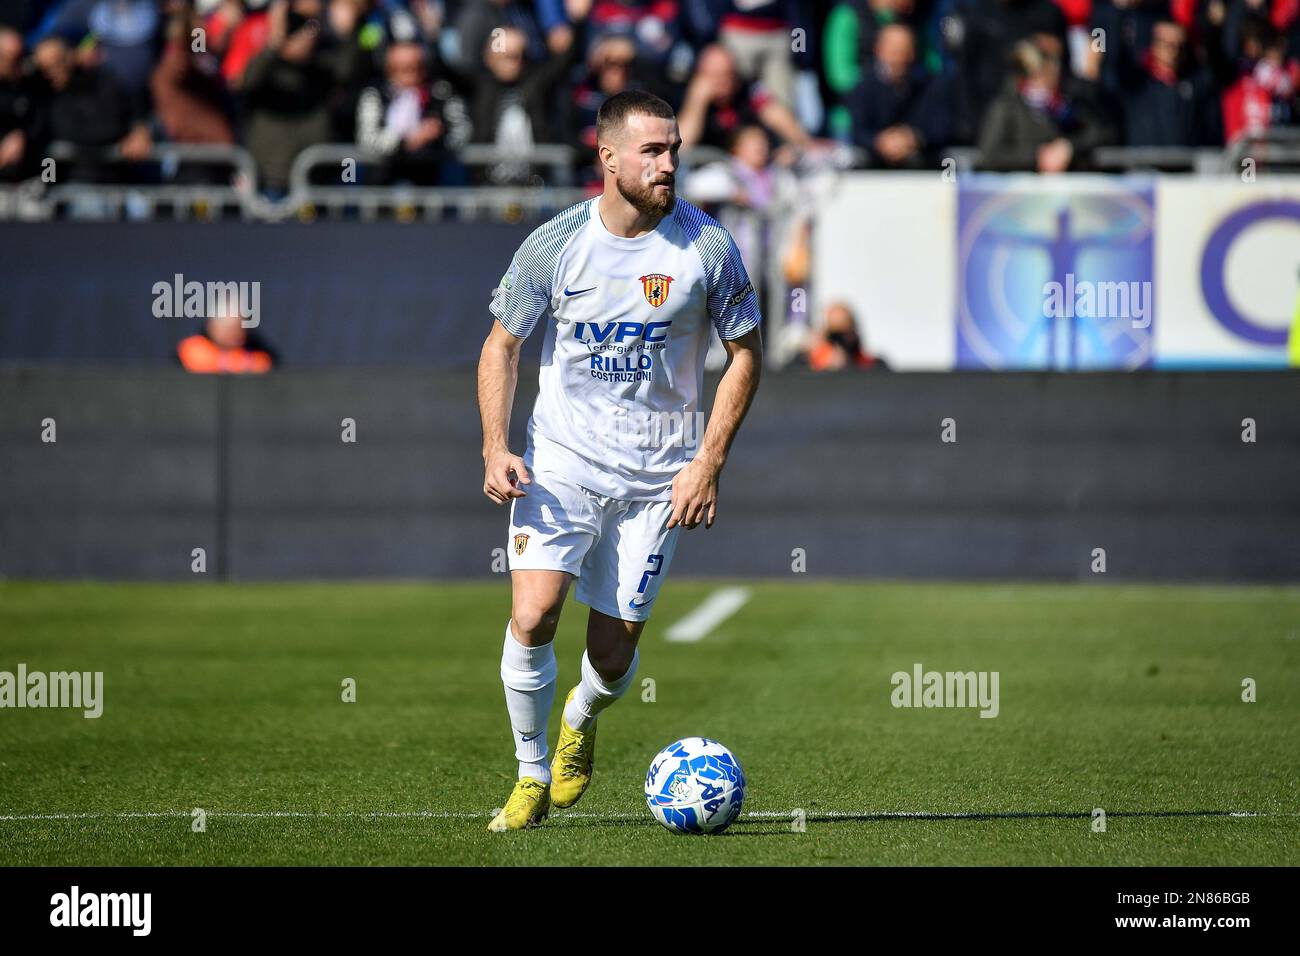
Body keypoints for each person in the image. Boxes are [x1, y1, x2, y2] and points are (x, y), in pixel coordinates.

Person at [476, 89, 763, 831]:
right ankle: (532, 772)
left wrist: (708, 462)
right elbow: (503, 344)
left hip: (654, 478)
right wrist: (495, 444)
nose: (670, 164)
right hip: (562, 460)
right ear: (608, 159)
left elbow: (745, 355)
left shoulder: (708, 247)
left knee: (608, 656)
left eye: (674, 150)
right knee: (534, 615)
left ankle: (580, 716)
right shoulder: (555, 243)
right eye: (654, 151)